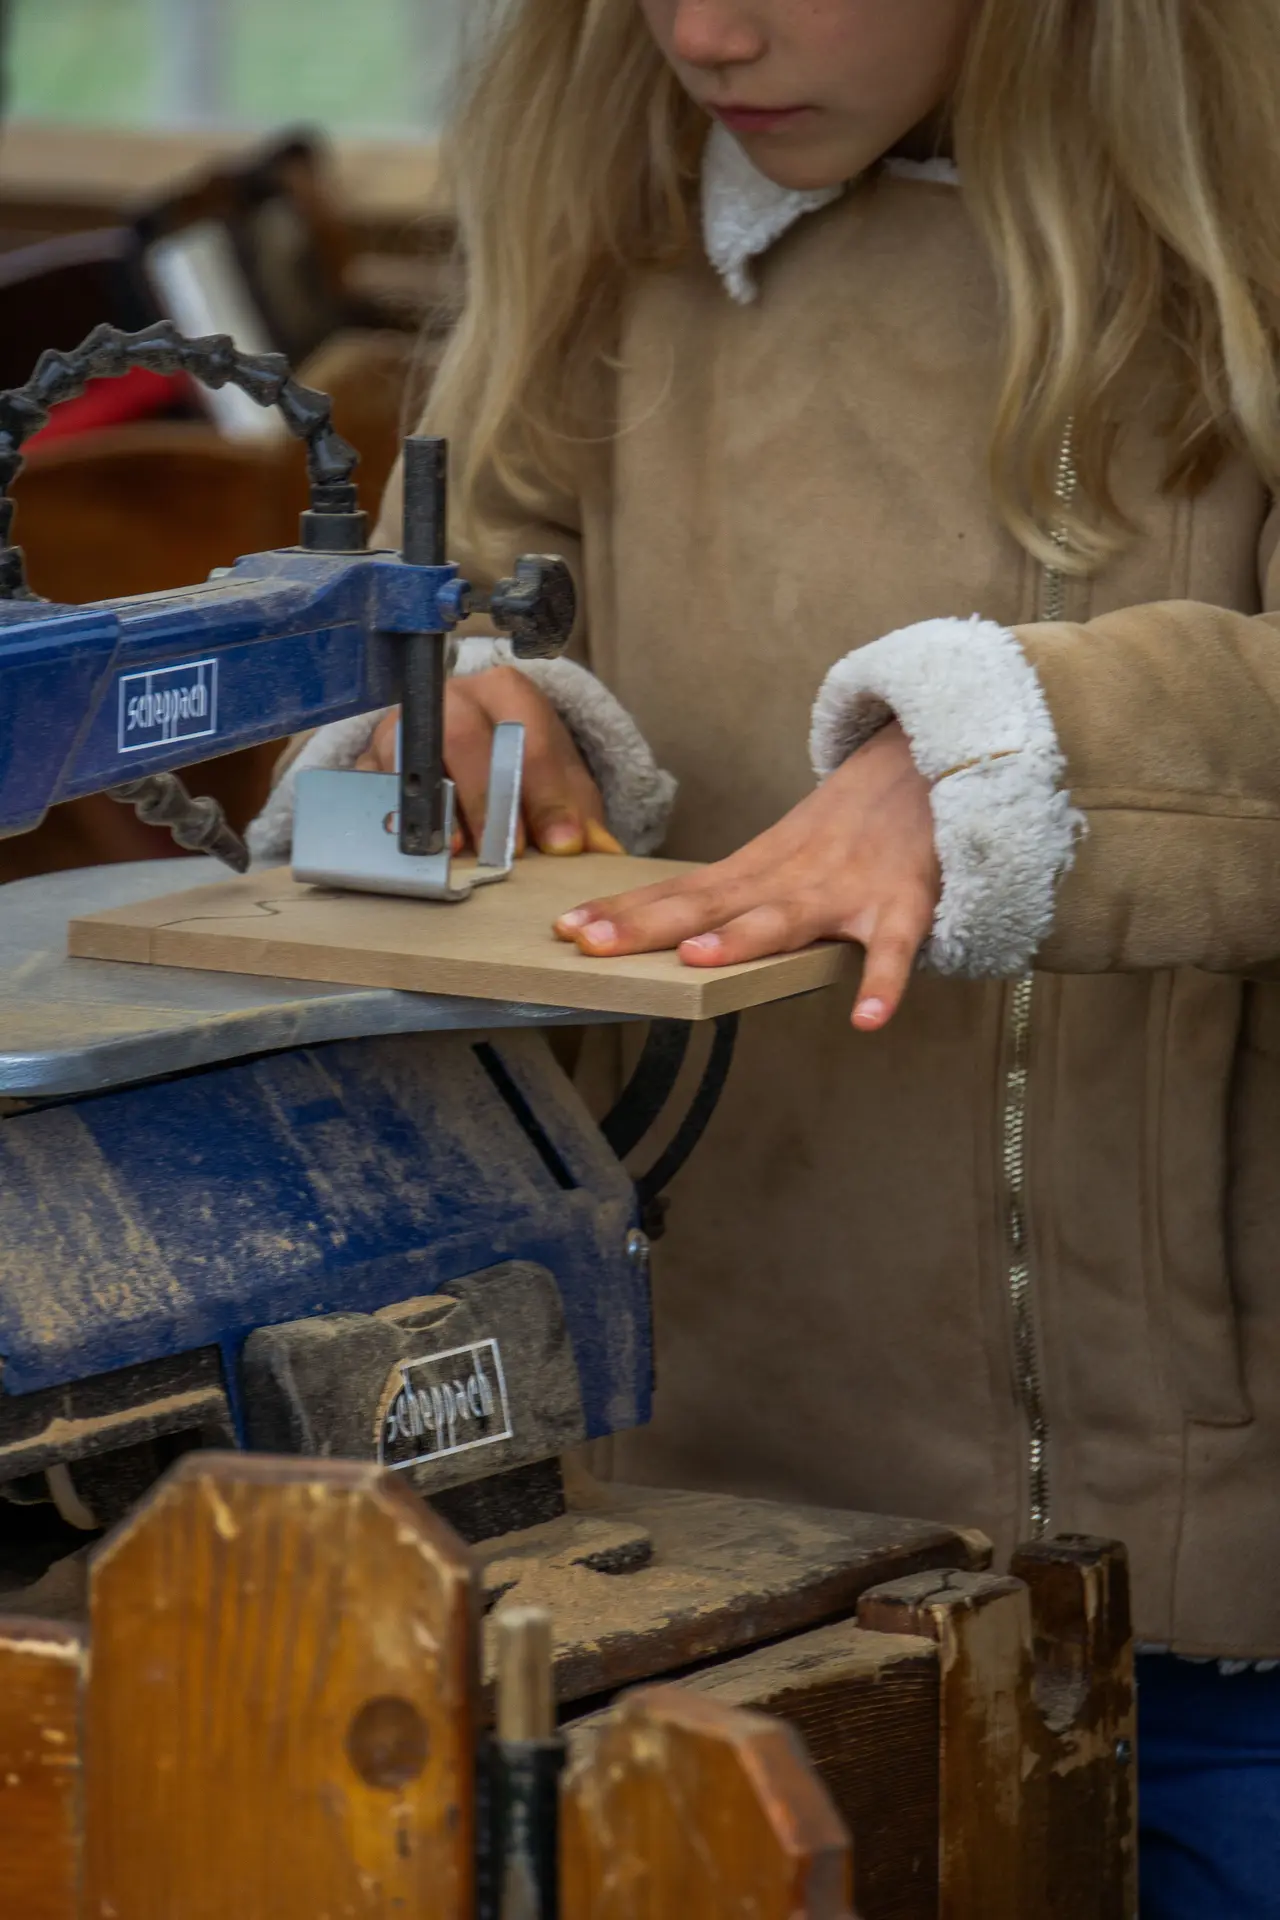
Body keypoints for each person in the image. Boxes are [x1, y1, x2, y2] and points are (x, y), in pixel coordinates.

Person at [249, 3, 1280, 1908]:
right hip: (698, 1552)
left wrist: (1017, 757)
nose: (704, 32)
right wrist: (462, 726)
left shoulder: (1247, 227)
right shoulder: (602, 232)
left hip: (1204, 1608)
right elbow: (456, 607)